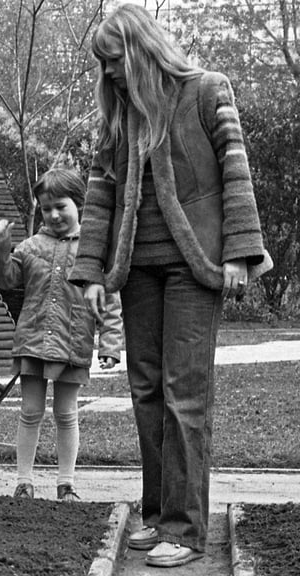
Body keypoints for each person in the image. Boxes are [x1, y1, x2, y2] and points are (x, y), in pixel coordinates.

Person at [70, 4, 272, 568]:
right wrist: (89, 270)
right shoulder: (117, 115)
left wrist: (239, 251)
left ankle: (186, 530)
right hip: (136, 269)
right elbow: (100, 195)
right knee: (147, 392)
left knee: (186, 395)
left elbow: (236, 169)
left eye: (112, 61)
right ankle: (159, 514)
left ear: (138, 49)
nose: (107, 73)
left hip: (194, 266)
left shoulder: (208, 91)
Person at [0, 168, 124, 503]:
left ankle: (66, 484)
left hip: (73, 342)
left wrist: (110, 344)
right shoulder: (30, 247)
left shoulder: (94, 252)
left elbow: (109, 300)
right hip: (32, 342)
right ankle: (24, 482)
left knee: (66, 413)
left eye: (61, 206)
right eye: (46, 208)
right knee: (30, 412)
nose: (53, 214)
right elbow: (6, 279)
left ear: (79, 204)